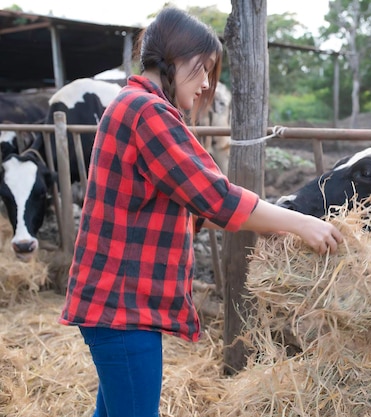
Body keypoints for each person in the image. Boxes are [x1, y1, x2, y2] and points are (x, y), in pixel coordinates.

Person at [58, 7, 343, 417]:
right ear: (173, 59)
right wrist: (302, 224)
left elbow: (184, 203)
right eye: (203, 68)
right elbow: (215, 197)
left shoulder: (135, 105)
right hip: (122, 306)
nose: (207, 82)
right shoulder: (147, 113)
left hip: (115, 303)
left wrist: (269, 224)